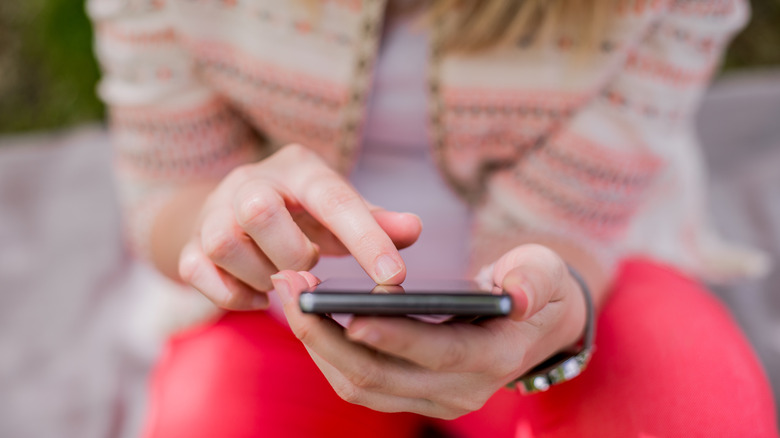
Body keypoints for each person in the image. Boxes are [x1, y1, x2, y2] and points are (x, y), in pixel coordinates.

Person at [88, 0, 779, 436]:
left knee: (693, 417)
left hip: (583, 284)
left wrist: (555, 316)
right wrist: (221, 221)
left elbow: (578, 212)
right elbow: (168, 188)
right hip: (280, 320)